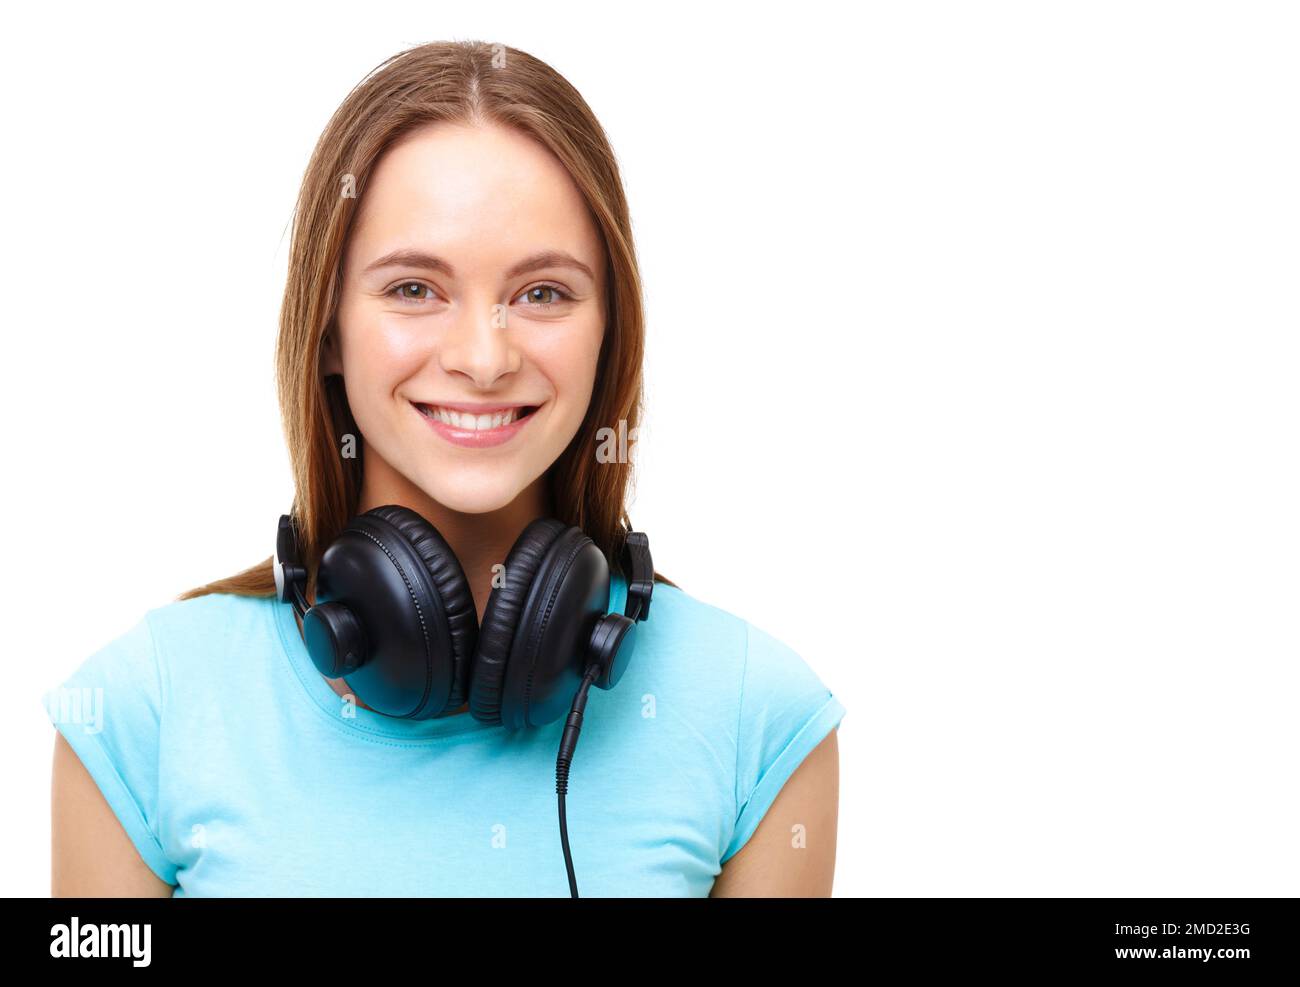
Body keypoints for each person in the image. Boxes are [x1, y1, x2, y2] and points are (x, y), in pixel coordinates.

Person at [44, 40, 846, 898]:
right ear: (327, 329)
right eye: (414, 288)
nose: (481, 356)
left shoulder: (759, 720)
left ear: (609, 331)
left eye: (543, 292)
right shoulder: (142, 713)